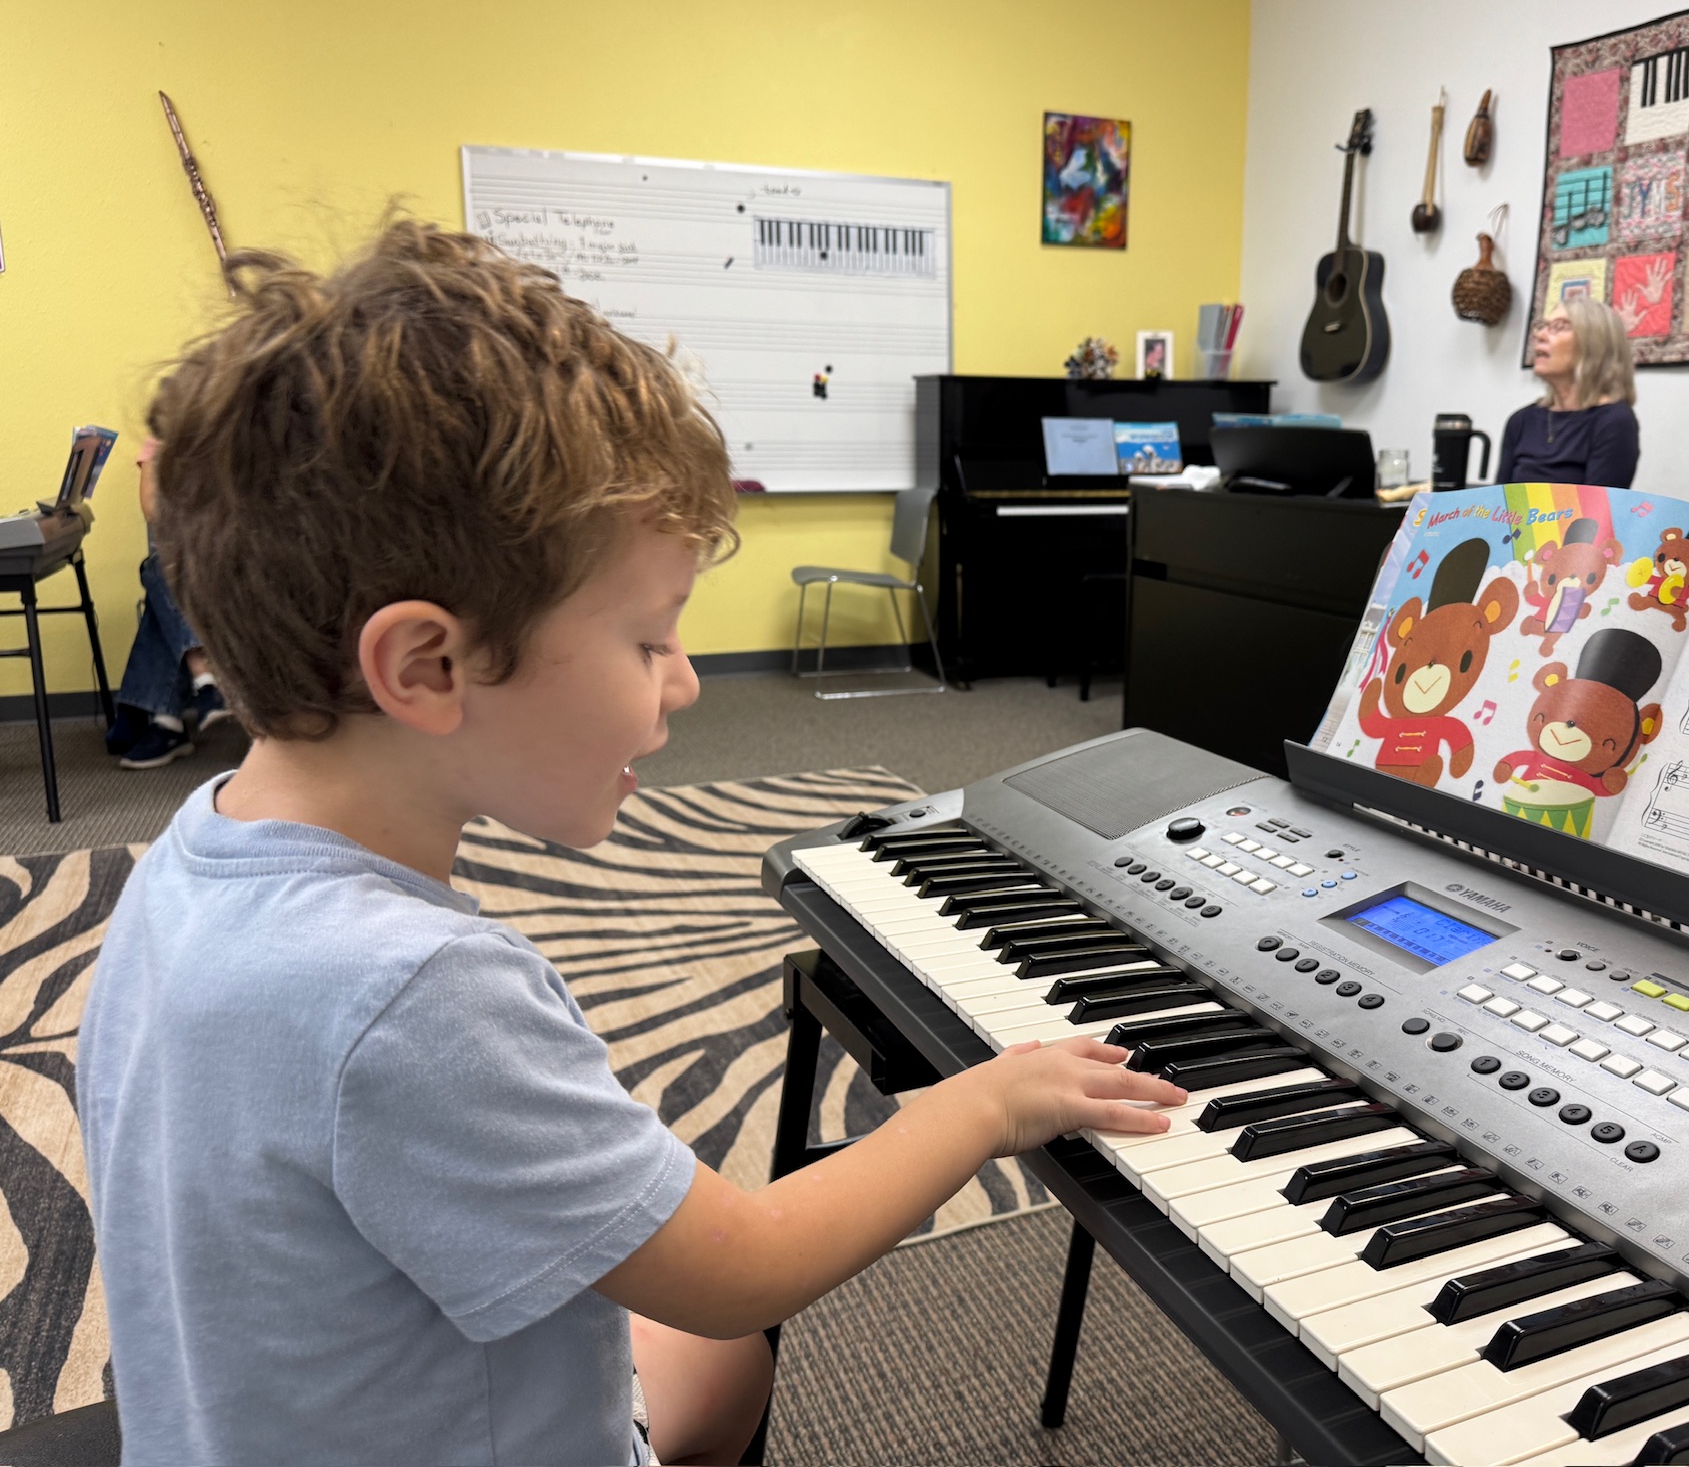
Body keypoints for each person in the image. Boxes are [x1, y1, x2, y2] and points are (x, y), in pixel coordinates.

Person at [75, 222, 1186, 1467]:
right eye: (650, 639)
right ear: (426, 666)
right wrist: (987, 1103)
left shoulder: (183, 865)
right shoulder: (412, 994)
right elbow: (744, 1268)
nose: (690, 682)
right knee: (726, 1330)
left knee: (710, 1361)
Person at [102, 435, 237, 768]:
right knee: (166, 570)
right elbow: (153, 509)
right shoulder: (161, 439)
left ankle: (158, 713)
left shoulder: (242, 425)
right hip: (190, 557)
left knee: (163, 574)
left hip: (242, 558)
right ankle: (194, 690)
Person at [1496, 296, 1640, 487]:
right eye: (1542, 326)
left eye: (1559, 327)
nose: (1540, 336)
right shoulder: (1521, 421)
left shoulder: (1614, 421)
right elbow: (1498, 501)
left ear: (1593, 344)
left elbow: (1598, 506)